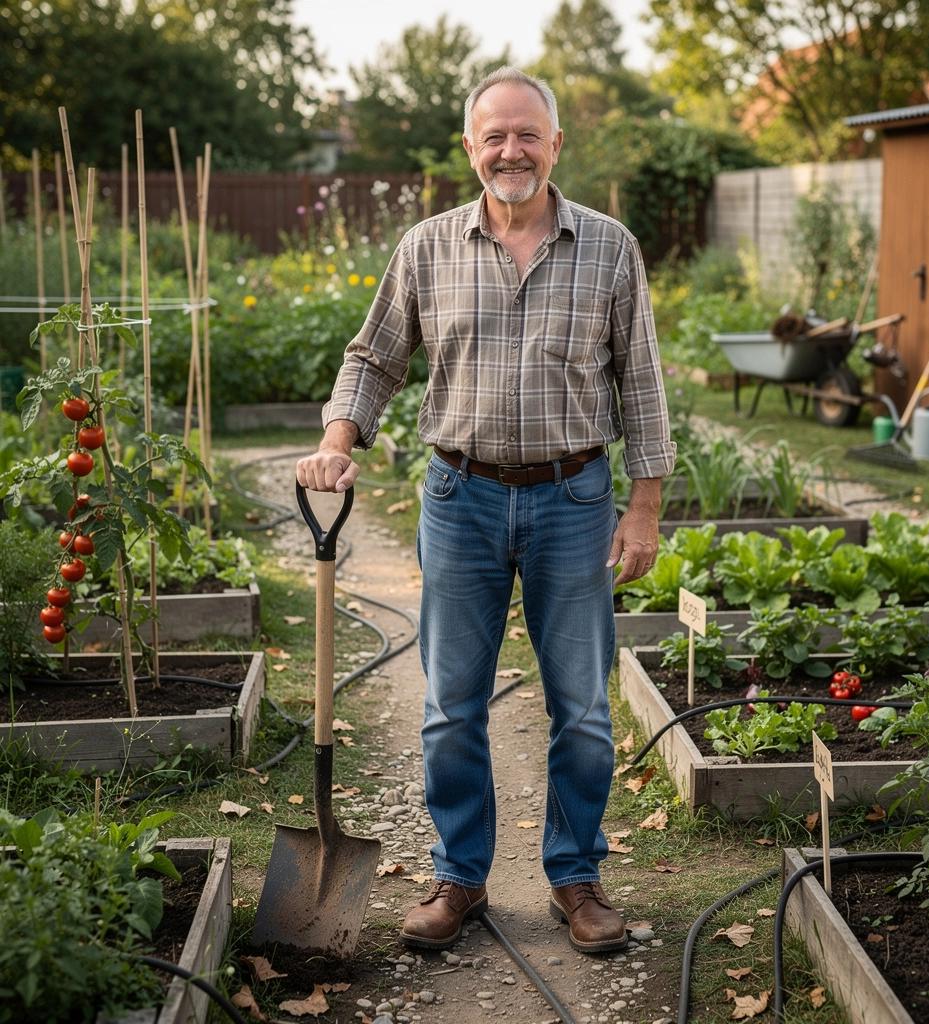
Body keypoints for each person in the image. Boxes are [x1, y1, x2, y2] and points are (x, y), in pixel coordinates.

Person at [296, 66, 675, 954]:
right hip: (459, 497)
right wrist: (339, 441)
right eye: (494, 136)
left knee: (579, 705)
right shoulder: (426, 246)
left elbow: (642, 384)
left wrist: (645, 505)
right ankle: (459, 878)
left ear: (555, 145)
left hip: (574, 497)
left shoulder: (610, 247)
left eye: (527, 134)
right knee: (450, 702)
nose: (512, 150)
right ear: (470, 148)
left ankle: (574, 876)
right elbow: (375, 357)